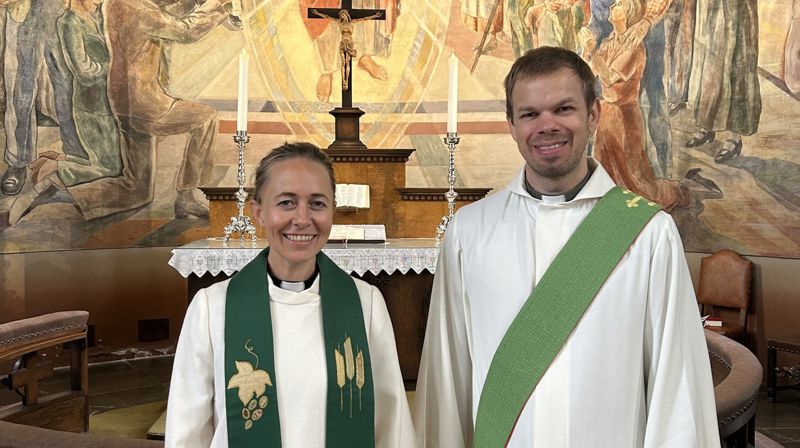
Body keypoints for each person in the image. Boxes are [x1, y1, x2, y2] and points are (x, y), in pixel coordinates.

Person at [414, 47, 719, 447]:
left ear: (593, 115)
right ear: (511, 124)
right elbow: (446, 377)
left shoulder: (648, 235)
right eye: (529, 114)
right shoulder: (469, 232)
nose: (547, 125)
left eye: (563, 109)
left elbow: (676, 385)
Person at [165, 142, 415, 447]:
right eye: (286, 202)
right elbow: (187, 433)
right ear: (258, 212)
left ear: (332, 211)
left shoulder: (365, 304)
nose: (302, 218)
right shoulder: (212, 307)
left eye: (317, 203)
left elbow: (393, 423)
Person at [104, 0, 230, 219]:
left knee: (136, 189)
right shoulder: (142, 11)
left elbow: (164, 12)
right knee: (205, 118)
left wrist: (194, 4)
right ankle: (187, 198)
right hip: (147, 102)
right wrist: (217, 6)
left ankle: (63, 188)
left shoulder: (117, 3)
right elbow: (186, 31)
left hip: (122, 99)